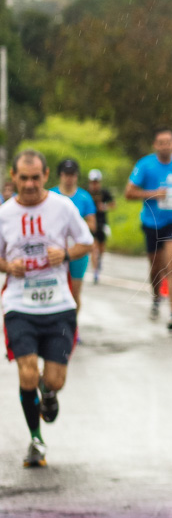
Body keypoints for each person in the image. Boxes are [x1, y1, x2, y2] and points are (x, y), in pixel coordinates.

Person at [1, 150, 93, 467]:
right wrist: (7, 265)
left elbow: (87, 242)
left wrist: (65, 255)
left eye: (35, 177)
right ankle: (36, 440)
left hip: (58, 306)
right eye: (23, 178)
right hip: (19, 305)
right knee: (27, 373)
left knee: (55, 380)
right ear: (13, 176)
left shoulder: (62, 207)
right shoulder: (4, 214)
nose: (29, 184)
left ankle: (49, 391)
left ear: (46, 175)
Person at [125, 127, 172, 331]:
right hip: (152, 223)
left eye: (169, 142)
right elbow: (129, 193)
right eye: (161, 142)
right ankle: (156, 296)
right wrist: (153, 194)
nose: (165, 145)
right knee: (156, 266)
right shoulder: (146, 165)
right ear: (155, 145)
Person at [49, 159, 96, 312]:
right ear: (60, 176)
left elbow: (92, 224)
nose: (69, 178)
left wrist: (74, 225)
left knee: (74, 294)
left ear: (77, 176)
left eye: (72, 175)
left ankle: (73, 329)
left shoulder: (84, 197)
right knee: (54, 293)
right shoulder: (51, 195)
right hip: (54, 251)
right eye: (66, 174)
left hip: (77, 252)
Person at [86, 169, 115, 284]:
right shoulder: (86, 193)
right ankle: (95, 271)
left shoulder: (104, 192)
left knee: (102, 247)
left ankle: (99, 262)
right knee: (94, 247)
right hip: (91, 223)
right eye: (93, 182)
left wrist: (104, 207)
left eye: (96, 182)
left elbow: (113, 204)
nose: (94, 184)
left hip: (102, 222)